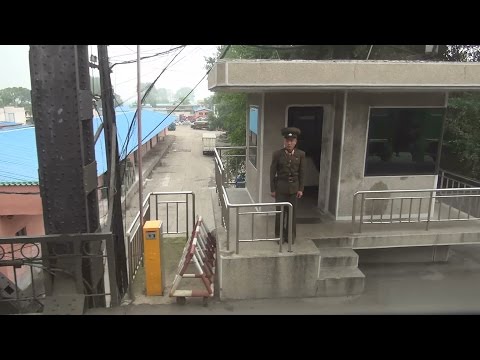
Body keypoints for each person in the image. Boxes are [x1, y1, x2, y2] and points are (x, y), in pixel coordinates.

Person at [270, 127, 305, 244]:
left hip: (294, 189)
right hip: (280, 188)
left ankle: (290, 237)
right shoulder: (277, 154)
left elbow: (302, 172)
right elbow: (272, 172)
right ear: (284, 141)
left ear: (295, 142)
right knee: (280, 214)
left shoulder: (301, 154)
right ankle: (279, 237)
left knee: (292, 214)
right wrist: (273, 189)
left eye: (292, 141)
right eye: (287, 140)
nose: (289, 143)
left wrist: (301, 189)